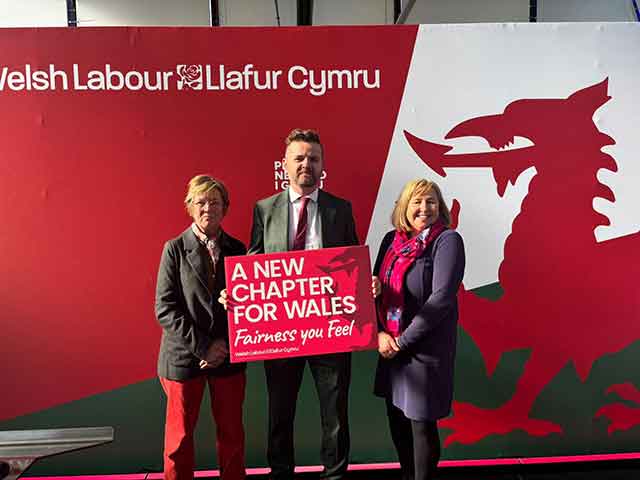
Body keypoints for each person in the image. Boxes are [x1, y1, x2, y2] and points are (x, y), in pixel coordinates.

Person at [246, 128, 358, 480]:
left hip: (331, 328)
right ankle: (281, 474)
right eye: (299, 158)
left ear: (323, 164)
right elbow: (252, 264)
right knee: (280, 411)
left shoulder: (341, 209)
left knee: (335, 412)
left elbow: (352, 261)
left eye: (313, 158)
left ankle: (335, 475)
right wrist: (238, 291)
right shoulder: (264, 209)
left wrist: (364, 282)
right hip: (280, 331)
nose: (306, 164)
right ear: (285, 165)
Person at [155, 175, 247, 480]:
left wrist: (224, 346)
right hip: (184, 358)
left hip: (228, 355)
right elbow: (165, 308)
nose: (209, 207)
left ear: (225, 208)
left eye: (216, 202)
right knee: (179, 439)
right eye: (201, 202)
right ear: (190, 207)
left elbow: (250, 307)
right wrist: (204, 346)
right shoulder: (175, 249)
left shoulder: (238, 248)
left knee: (232, 434)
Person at [372, 179, 465, 480]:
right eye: (417, 201)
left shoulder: (447, 241)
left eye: (431, 202)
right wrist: (380, 334)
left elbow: (441, 299)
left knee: (421, 427)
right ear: (404, 207)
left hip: (423, 351)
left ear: (440, 208)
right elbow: (371, 290)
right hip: (391, 349)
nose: (424, 208)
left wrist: (401, 341)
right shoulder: (390, 241)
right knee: (396, 421)